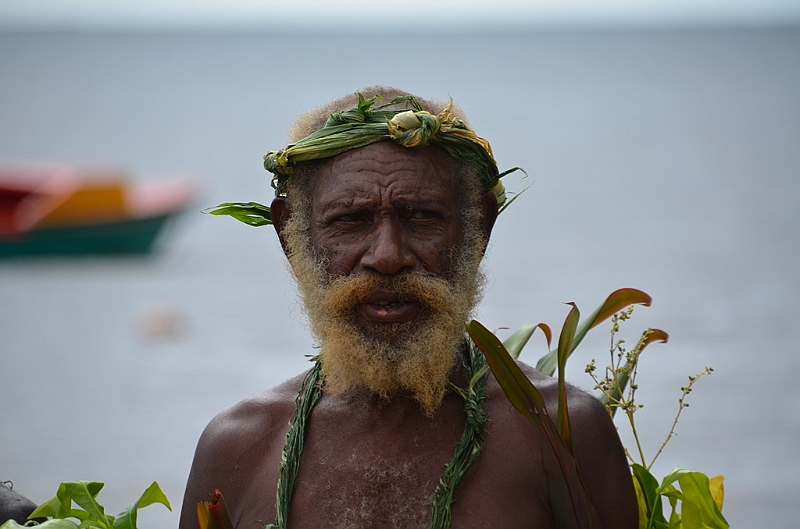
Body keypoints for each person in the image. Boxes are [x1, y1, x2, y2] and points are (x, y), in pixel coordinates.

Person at [180, 87, 638, 529]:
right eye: (350, 220)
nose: (387, 255)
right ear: (291, 238)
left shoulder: (561, 434)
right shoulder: (238, 448)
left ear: (478, 230)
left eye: (421, 216)